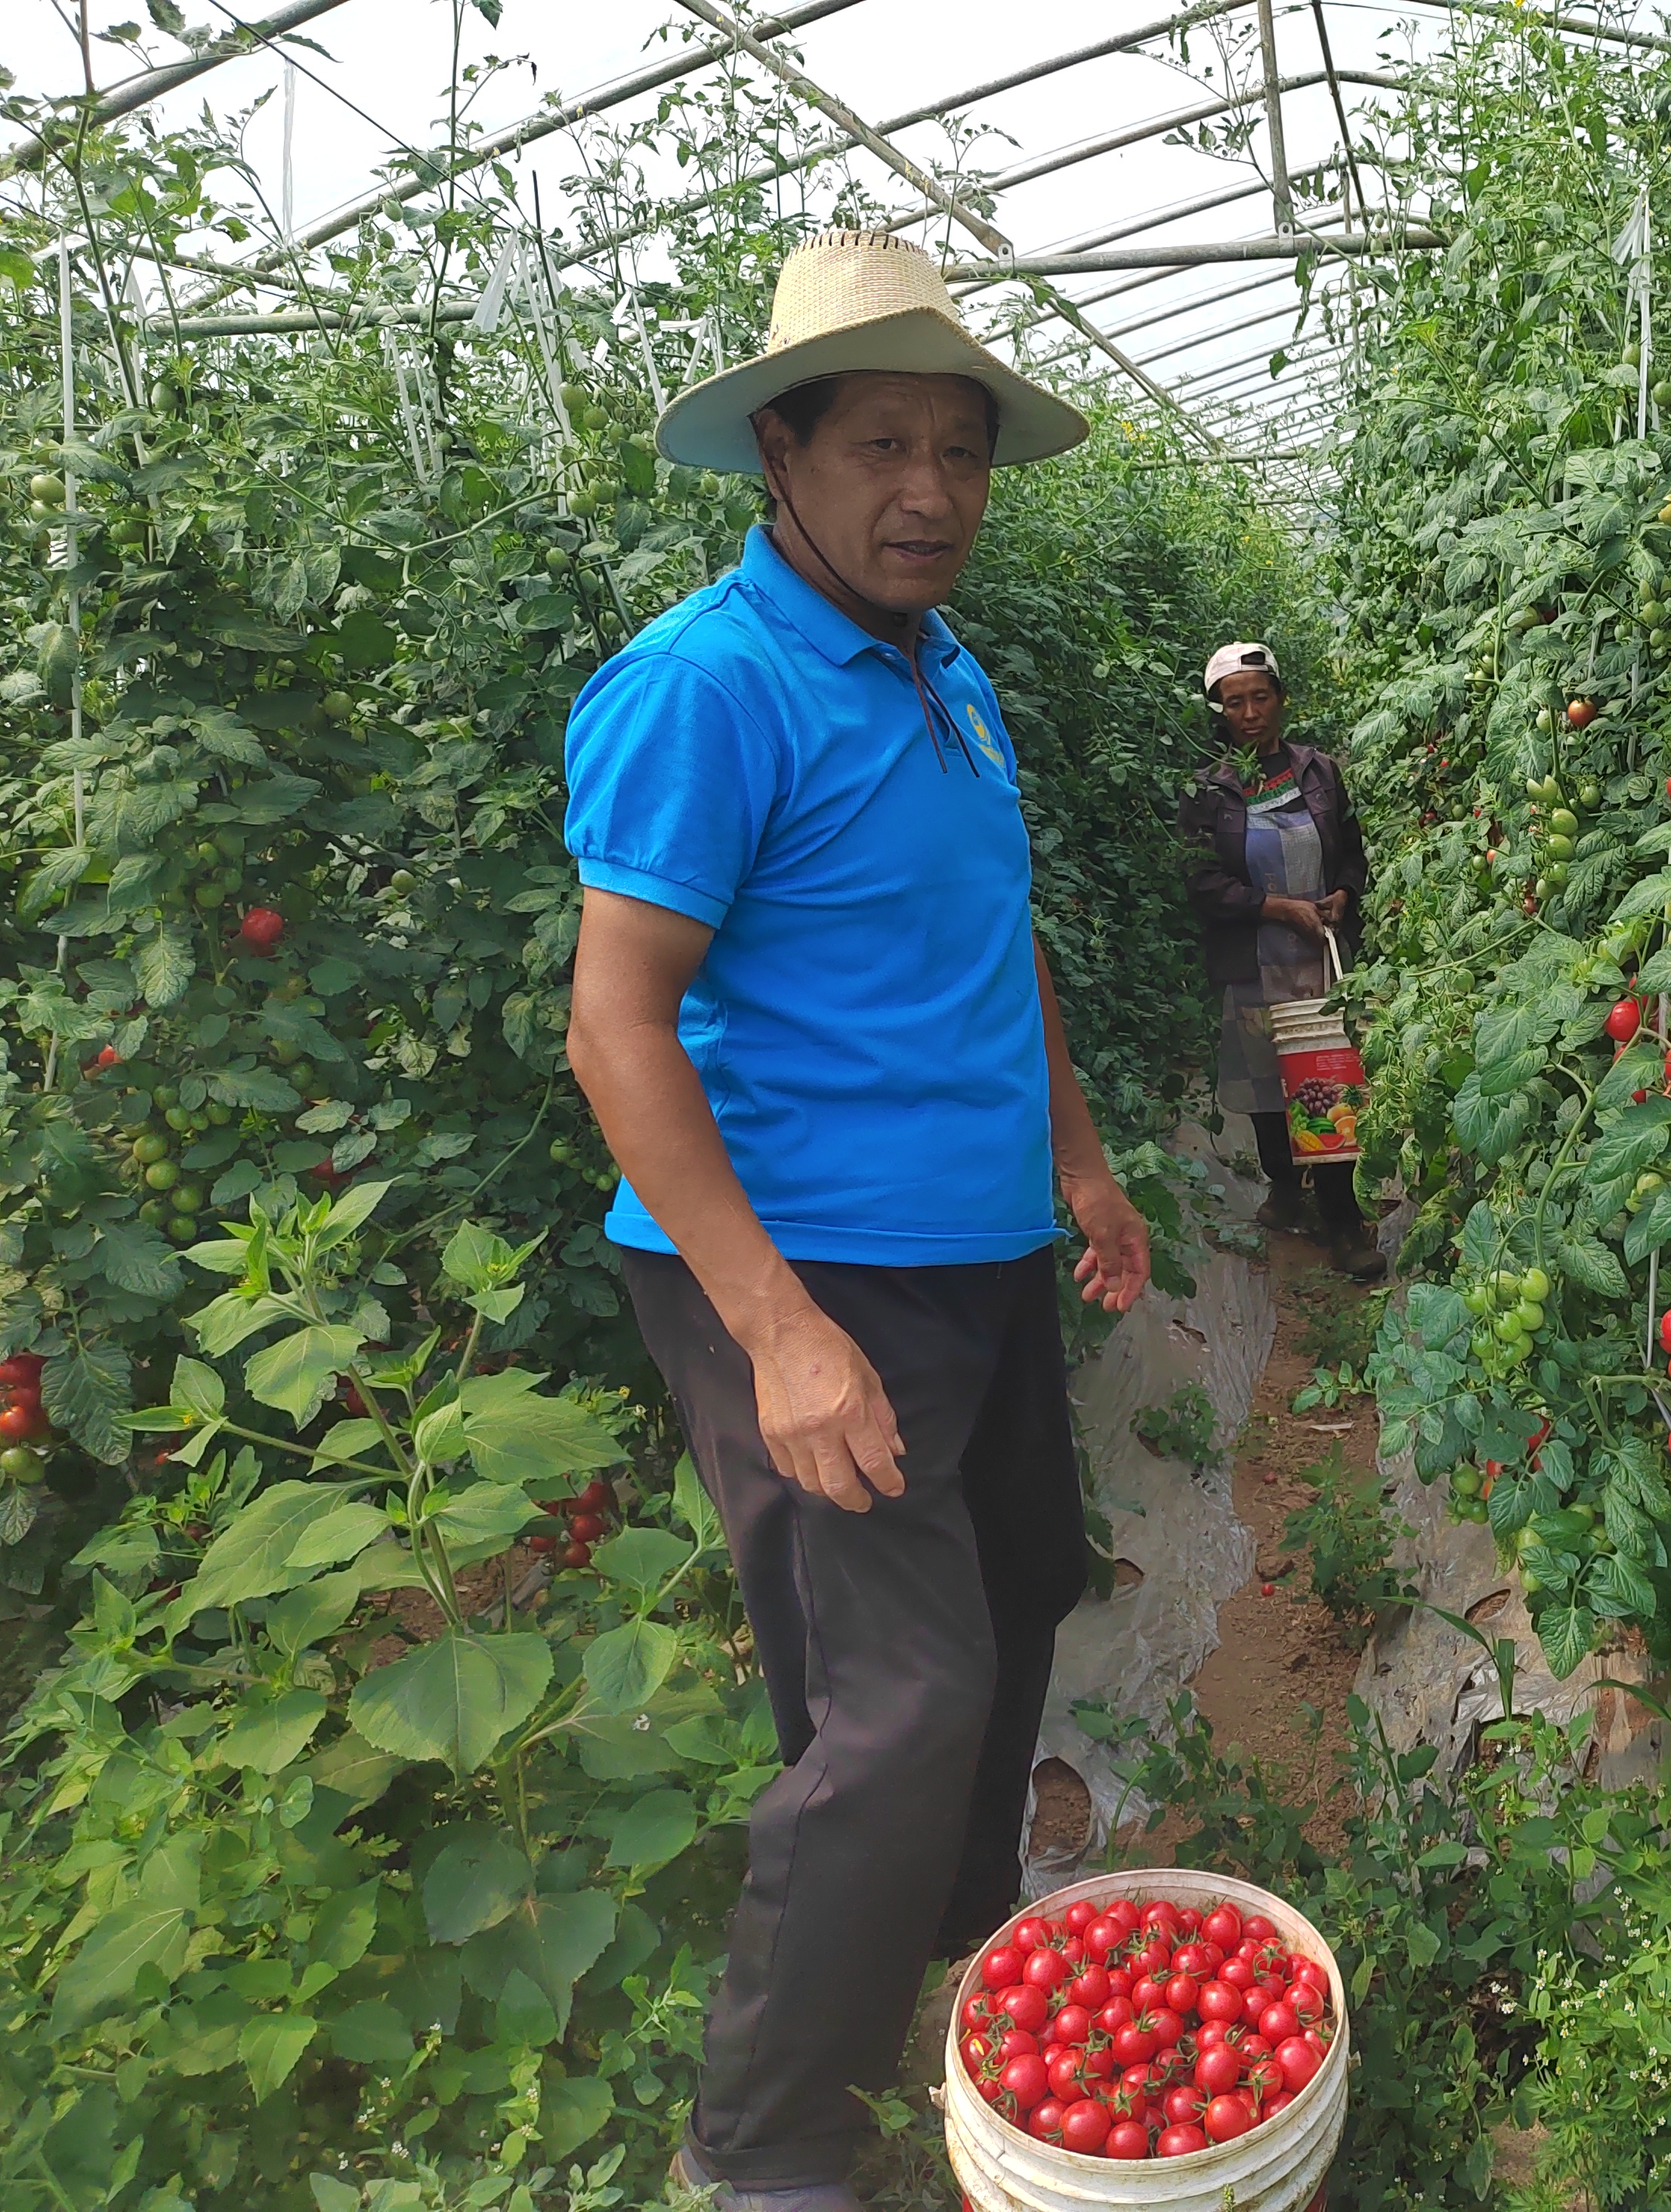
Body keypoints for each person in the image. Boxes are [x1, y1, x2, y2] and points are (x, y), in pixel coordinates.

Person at [561, 229, 1151, 2212]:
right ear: (779, 457)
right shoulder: (705, 688)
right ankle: (768, 2144)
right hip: (801, 1261)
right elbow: (614, 1025)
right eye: (882, 444)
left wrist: (1077, 1161)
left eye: (961, 450)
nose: (932, 491)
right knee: (905, 1695)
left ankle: (946, 1936)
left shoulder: (949, 676)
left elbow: (994, 947)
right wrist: (777, 1329)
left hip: (973, 1243)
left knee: (1035, 1574)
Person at [1178, 642, 1385, 1280]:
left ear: (1280, 699)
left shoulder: (1317, 772)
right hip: (1253, 962)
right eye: (1234, 702)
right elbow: (1202, 881)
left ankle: (1343, 1221)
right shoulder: (1210, 790)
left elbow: (1351, 850)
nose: (1249, 713)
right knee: (1270, 1088)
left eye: (1259, 697)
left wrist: (1344, 894)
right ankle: (1284, 1189)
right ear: (1218, 711)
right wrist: (1274, 907)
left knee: (1324, 1082)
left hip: (1318, 962)